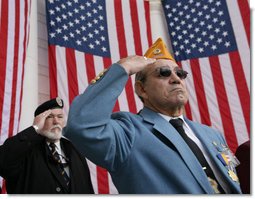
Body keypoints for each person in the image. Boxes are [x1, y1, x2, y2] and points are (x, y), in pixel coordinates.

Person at [64, 38, 242, 194]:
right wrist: (122, 68)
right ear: (142, 89)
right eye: (163, 73)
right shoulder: (129, 132)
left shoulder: (212, 134)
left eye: (180, 73)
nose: (176, 79)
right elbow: (81, 125)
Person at [0, 97, 94, 194]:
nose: (56, 121)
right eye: (50, 117)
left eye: (60, 117)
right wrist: (34, 129)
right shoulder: (25, 150)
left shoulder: (75, 149)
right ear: (39, 121)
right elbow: (3, 161)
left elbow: (87, 187)